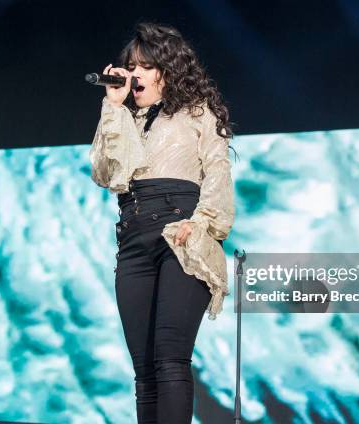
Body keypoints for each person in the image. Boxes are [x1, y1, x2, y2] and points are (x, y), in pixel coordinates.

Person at [89, 22, 236, 424]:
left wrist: (203, 223)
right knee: (144, 374)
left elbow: (218, 172)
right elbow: (106, 172)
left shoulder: (196, 113)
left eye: (144, 65)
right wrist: (113, 107)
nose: (133, 74)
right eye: (129, 65)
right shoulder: (127, 119)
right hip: (133, 238)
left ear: (166, 70)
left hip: (180, 232)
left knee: (170, 359)